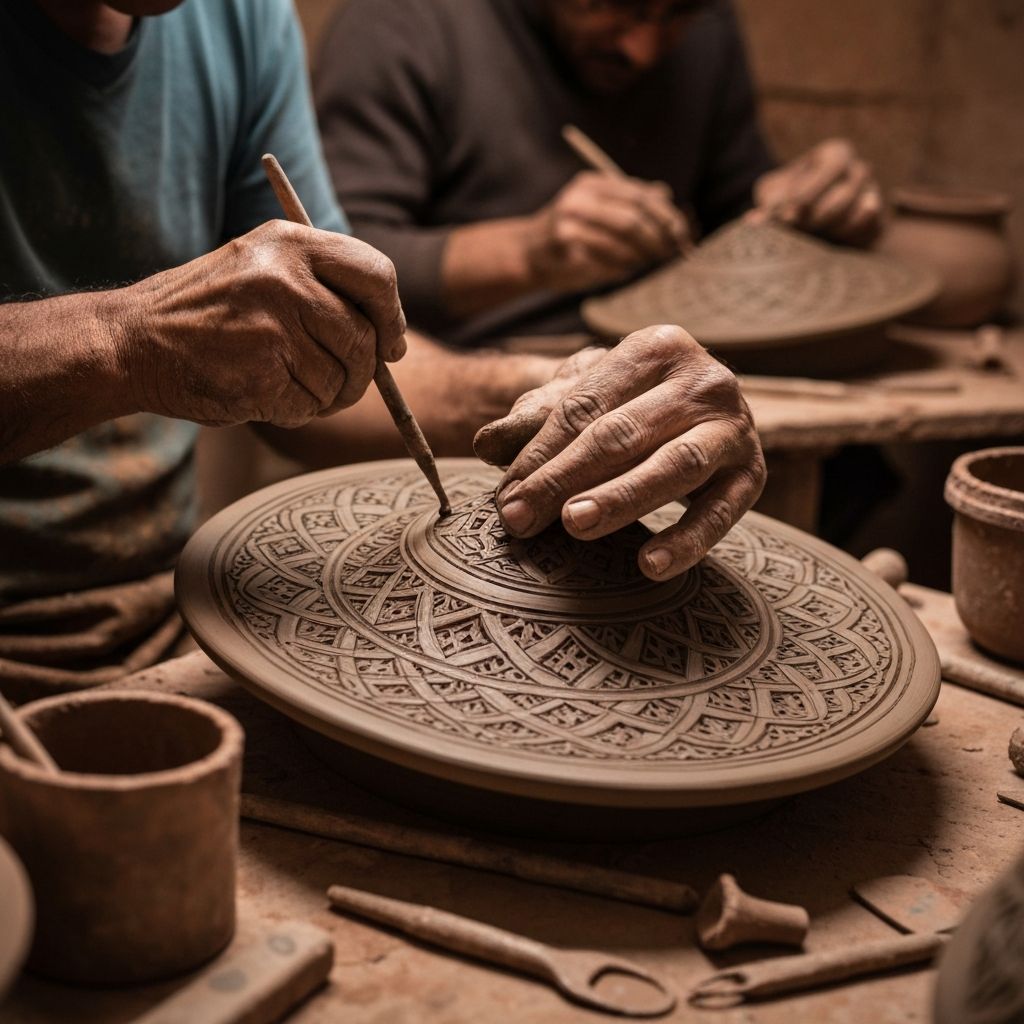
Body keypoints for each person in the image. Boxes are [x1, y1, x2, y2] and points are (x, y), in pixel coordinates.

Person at [0, 0, 764, 699]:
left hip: (167, 616)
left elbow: (338, 360)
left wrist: (573, 398)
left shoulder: (238, 17)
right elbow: (153, 341)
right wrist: (123, 340)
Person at [314, 0, 884, 344]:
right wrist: (528, 254)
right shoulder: (403, 23)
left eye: (677, 13)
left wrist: (807, 210)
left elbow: (733, 207)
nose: (645, 47)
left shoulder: (704, 24)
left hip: (670, 358)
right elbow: (330, 270)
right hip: (479, 379)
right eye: (616, 4)